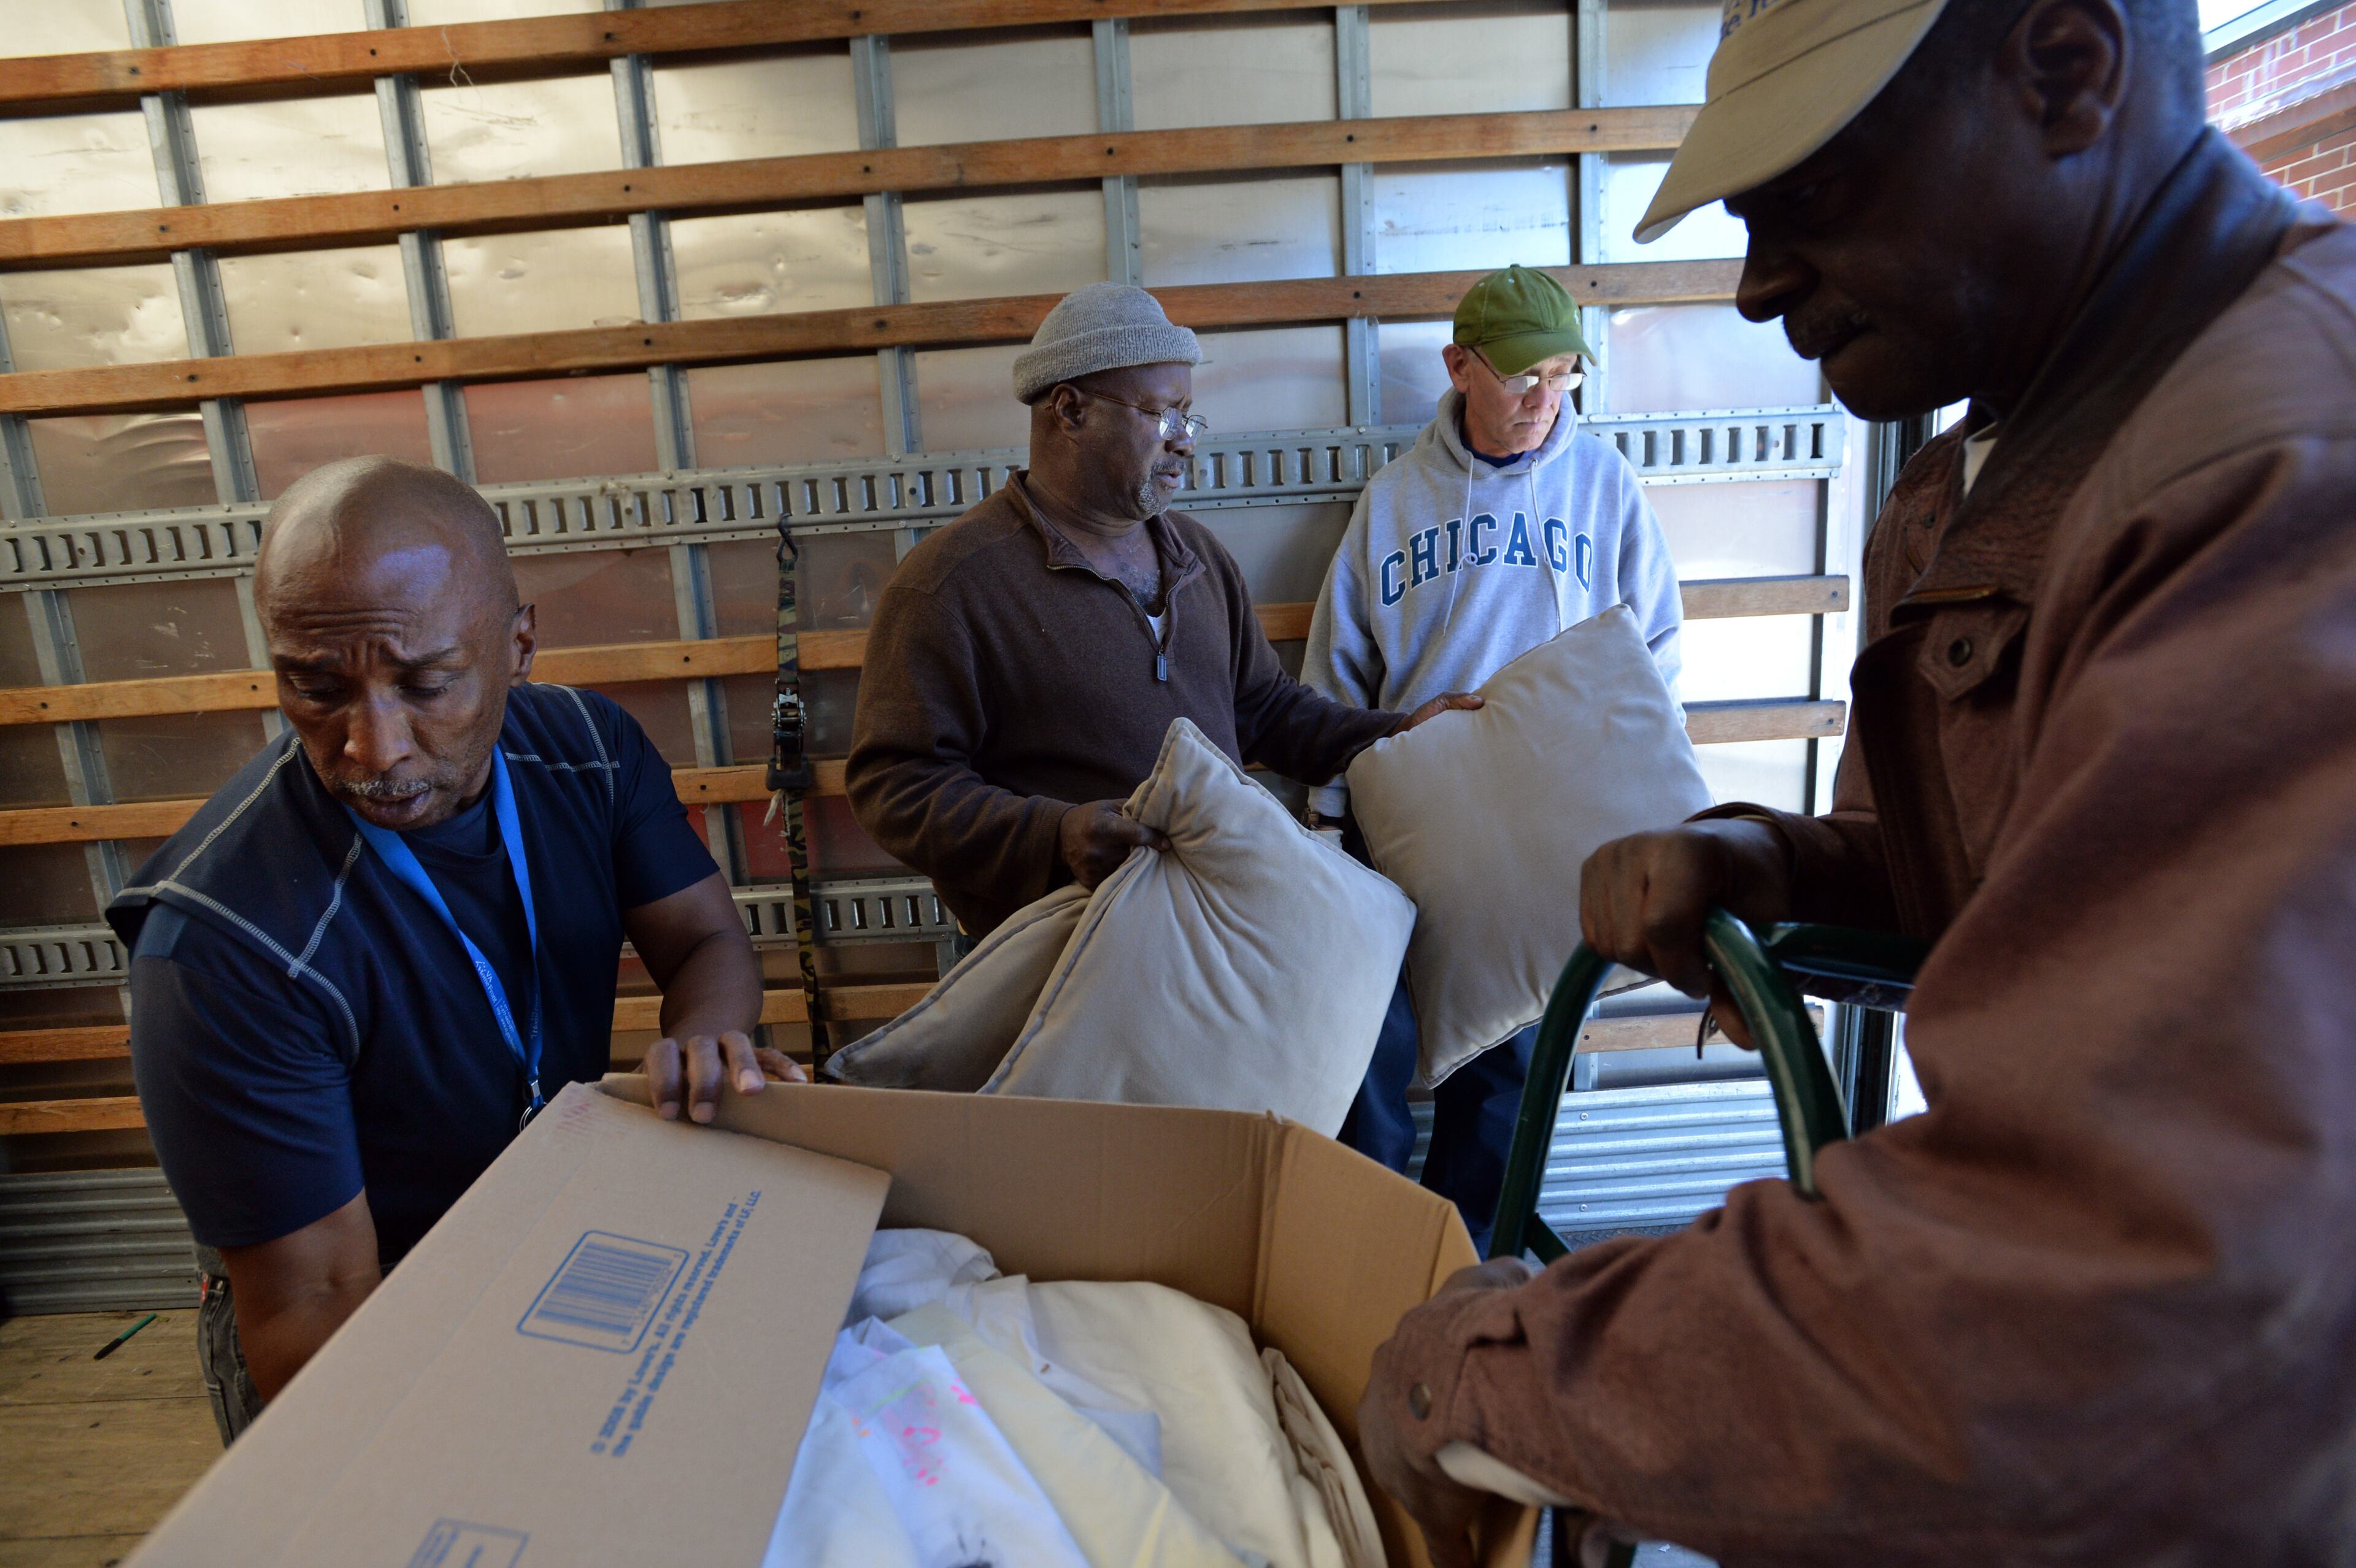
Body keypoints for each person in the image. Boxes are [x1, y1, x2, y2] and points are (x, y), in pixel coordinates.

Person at [1356, 0, 2356, 1556]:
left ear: (2065, 72)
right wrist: (1769, 864)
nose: (1756, 285)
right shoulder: (1972, 481)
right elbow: (2001, 870)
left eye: (1813, 194)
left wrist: (1501, 1380)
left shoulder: (2274, 475)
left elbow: (2106, 1279)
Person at [108, 457, 798, 1443]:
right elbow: (314, 1311)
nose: (374, 748)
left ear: (519, 646)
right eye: (316, 689)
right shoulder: (224, 946)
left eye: (426, 684)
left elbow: (705, 941)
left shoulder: (589, 752)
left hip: (541, 1234)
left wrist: (705, 1042)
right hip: (362, 1309)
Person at [848, 283, 1477, 935]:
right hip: (1066, 948)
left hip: (1218, 926)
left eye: (1189, 418)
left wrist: (1394, 737)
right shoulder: (952, 583)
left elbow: (1263, 710)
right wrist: (1053, 837)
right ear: (1070, 411)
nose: (1185, 442)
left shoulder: (1197, 556)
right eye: (1164, 415)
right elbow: (895, 786)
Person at [1304, 263, 1682, 1251]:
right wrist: (1327, 819)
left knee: (1508, 1063)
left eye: (1560, 376)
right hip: (1418, 815)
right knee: (1369, 1052)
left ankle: (1472, 1262)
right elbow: (1338, 667)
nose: (1542, 398)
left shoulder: (1603, 485)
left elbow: (1656, 645)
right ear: (1459, 367)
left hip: (1549, 812)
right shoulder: (1395, 499)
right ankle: (1366, 1265)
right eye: (1521, 377)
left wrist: (1633, 783)